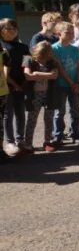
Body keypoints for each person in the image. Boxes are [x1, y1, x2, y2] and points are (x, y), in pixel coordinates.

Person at [1, 18, 30, 156]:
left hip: (21, 85)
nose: (12, 30)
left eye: (14, 28)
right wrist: (14, 84)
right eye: (8, 28)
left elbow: (27, 64)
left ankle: (20, 140)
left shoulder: (23, 47)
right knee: (8, 114)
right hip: (5, 86)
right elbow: (5, 69)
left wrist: (23, 83)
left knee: (20, 113)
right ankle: (10, 142)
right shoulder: (1, 46)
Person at [51, 22, 79, 146]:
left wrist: (78, 82)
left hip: (74, 84)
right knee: (59, 112)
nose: (71, 35)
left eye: (72, 32)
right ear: (59, 33)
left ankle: (75, 134)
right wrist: (72, 84)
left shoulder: (75, 49)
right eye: (67, 32)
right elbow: (60, 69)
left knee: (75, 110)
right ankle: (57, 135)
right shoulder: (54, 49)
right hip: (61, 85)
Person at [22, 41, 59, 152]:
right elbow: (27, 76)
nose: (42, 58)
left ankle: (47, 142)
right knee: (32, 119)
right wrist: (47, 75)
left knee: (49, 118)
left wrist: (37, 74)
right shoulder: (28, 59)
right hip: (34, 95)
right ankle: (28, 144)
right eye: (40, 55)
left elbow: (54, 75)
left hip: (49, 94)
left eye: (45, 55)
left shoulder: (51, 62)